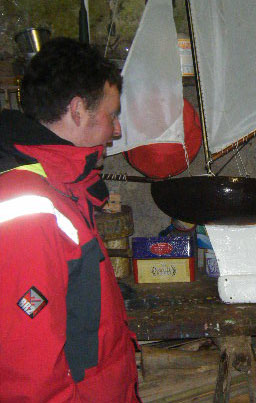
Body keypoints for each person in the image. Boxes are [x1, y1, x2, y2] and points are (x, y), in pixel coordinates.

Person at [0, 38, 140, 402]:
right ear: (78, 110)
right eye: (112, 114)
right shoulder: (29, 207)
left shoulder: (62, 186)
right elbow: (31, 375)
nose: (117, 130)